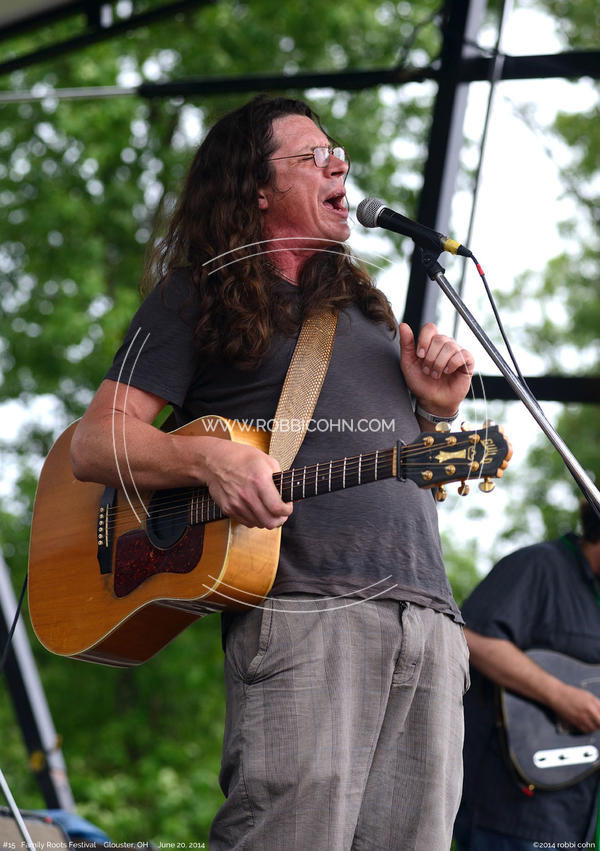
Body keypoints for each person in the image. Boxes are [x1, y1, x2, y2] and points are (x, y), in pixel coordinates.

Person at [70, 94, 474, 850]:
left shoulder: (370, 315)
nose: (339, 167)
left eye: (339, 154)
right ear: (255, 188)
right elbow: (96, 444)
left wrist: (434, 412)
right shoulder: (194, 295)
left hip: (430, 620)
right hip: (304, 612)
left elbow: (393, 469)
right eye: (314, 156)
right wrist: (208, 457)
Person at [454, 497, 600, 850]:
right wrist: (559, 695)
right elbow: (469, 637)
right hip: (511, 810)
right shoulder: (539, 565)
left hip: (578, 815)